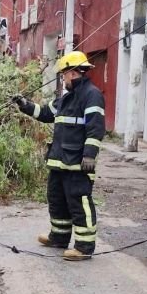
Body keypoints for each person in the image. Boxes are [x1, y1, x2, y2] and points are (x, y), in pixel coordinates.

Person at [12, 51, 106, 261]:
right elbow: (46, 113)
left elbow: (96, 128)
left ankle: (84, 247)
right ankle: (59, 237)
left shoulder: (92, 95)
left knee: (79, 203)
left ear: (73, 72)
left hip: (77, 165)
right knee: (57, 201)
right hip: (58, 162)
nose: (63, 78)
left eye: (64, 74)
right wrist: (24, 105)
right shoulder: (66, 98)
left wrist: (89, 155)